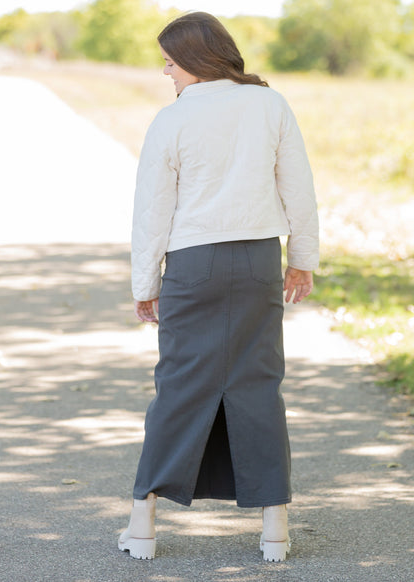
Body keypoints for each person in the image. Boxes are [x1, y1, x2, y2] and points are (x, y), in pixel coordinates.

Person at [118, 11, 319, 562]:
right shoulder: (270, 105)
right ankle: (274, 530)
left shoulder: (173, 119)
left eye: (171, 61)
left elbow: (152, 209)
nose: (167, 72)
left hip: (193, 263)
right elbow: (298, 187)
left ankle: (142, 527)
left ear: (198, 59)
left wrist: (145, 282)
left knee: (180, 386)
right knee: (258, 387)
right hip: (258, 260)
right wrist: (301, 259)